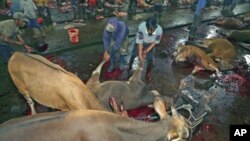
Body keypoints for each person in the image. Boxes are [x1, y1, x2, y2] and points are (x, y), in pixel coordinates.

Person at [129, 17, 163, 82]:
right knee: (133, 55)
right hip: (141, 42)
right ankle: (129, 68)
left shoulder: (159, 30)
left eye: (152, 30)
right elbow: (140, 42)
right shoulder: (141, 27)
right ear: (146, 27)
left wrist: (146, 51)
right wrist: (140, 54)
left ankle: (148, 72)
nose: (150, 32)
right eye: (149, 30)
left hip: (151, 44)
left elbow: (155, 42)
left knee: (150, 59)